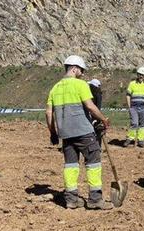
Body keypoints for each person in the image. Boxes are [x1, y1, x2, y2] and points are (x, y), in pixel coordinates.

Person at [46, 55, 112, 210]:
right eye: (81, 70)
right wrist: (103, 120)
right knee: (93, 163)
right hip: (84, 132)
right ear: (74, 69)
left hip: (66, 134)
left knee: (70, 165)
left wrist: (53, 133)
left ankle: (71, 200)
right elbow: (90, 106)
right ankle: (95, 200)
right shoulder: (81, 85)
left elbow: (49, 114)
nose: (82, 73)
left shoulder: (55, 88)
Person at [124, 67, 144, 147]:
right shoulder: (132, 83)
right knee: (134, 123)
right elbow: (128, 95)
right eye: (140, 74)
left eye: (143, 75)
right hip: (134, 107)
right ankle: (130, 138)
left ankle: (141, 140)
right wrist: (129, 106)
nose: (141, 76)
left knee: (142, 124)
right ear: (137, 74)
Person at [87, 79, 104, 148]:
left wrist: (96, 117)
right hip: (93, 114)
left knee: (96, 130)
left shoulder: (97, 94)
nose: (89, 86)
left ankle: (97, 146)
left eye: (90, 85)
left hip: (95, 115)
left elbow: (98, 107)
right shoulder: (93, 93)